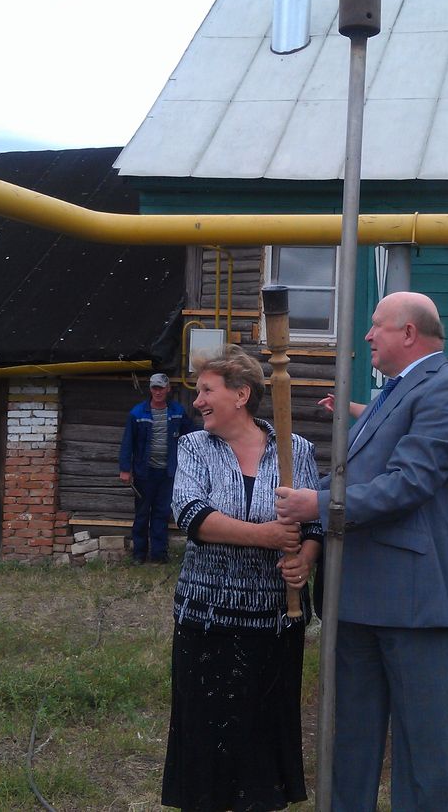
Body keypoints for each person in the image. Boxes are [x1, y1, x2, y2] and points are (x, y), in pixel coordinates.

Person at [275, 292, 448, 812]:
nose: (367, 336)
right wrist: (283, 502)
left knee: (423, 746)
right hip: (358, 594)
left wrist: (316, 505)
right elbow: (354, 478)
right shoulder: (391, 394)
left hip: (415, 599)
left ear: (408, 333)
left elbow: (407, 484)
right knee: (353, 738)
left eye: (375, 326)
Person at [161, 345, 322, 812]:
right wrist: (269, 537)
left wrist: (305, 559)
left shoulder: (296, 450)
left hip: (275, 618)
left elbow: (312, 525)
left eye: (207, 390)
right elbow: (192, 517)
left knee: (262, 727)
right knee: (205, 725)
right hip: (207, 617)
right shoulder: (194, 447)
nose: (198, 401)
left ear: (241, 394)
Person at [119, 372, 197, 563]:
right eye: (155, 387)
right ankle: (139, 554)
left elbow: (191, 434)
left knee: (162, 513)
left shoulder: (177, 412)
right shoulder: (137, 414)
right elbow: (127, 442)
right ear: (150, 389)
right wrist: (125, 469)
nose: (158, 391)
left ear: (168, 389)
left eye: (161, 388)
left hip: (168, 472)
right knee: (142, 514)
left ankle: (159, 554)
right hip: (144, 473)